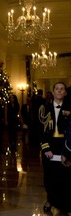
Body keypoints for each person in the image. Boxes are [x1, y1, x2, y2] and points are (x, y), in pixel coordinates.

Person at [39, 82, 71, 215]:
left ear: (65, 93)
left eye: (62, 89)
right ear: (53, 92)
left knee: (65, 177)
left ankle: (64, 203)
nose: (59, 91)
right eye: (56, 89)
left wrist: (68, 152)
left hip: (64, 146)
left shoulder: (70, 109)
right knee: (49, 177)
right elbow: (39, 131)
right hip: (50, 147)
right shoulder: (44, 109)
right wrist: (46, 149)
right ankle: (51, 200)